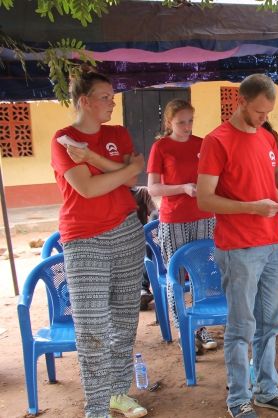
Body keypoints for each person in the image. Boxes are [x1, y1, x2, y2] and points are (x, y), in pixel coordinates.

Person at [197, 74, 278, 418]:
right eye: (258, 112)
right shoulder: (217, 141)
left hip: (273, 243)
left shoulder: (266, 138)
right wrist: (251, 207)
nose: (262, 119)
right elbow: (205, 199)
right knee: (242, 327)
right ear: (239, 102)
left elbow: (268, 189)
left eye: (267, 113)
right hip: (239, 247)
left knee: (270, 324)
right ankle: (238, 397)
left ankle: (266, 389)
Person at [50, 70, 148, 418]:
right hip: (84, 238)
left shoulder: (116, 133)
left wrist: (93, 161)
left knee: (124, 320)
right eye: (105, 96)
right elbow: (88, 189)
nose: (112, 101)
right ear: (84, 101)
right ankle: (96, 408)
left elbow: (132, 177)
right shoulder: (64, 139)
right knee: (92, 327)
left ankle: (118, 393)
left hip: (126, 231)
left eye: (112, 95)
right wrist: (120, 173)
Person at [146, 99, 217, 353]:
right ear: (169, 123)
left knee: (204, 272)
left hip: (204, 215)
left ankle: (201, 327)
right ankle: (183, 330)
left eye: (190, 121)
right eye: (181, 122)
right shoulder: (161, 147)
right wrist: (183, 188)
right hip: (173, 218)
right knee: (176, 276)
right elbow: (153, 187)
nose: (187, 127)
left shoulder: (202, 144)